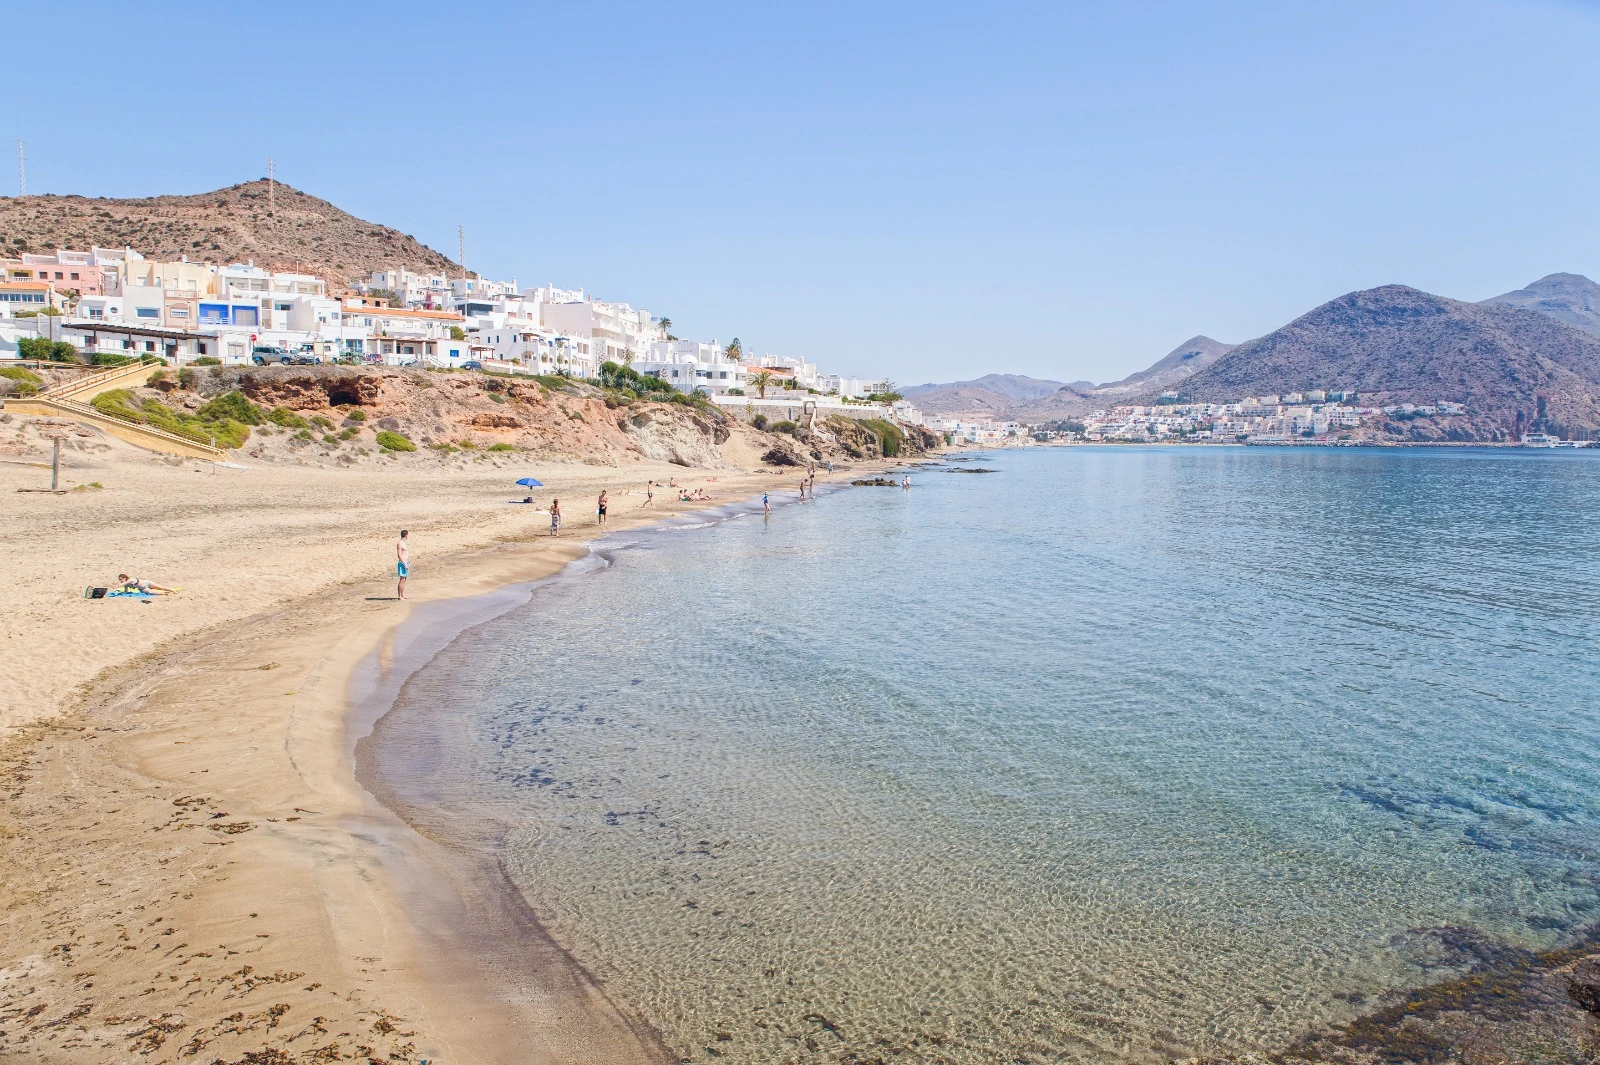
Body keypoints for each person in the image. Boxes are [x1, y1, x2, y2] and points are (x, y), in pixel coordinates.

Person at [395, 531, 409, 600]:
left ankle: (402, 595)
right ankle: (399, 596)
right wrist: (404, 563)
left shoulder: (403, 543)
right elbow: (399, 555)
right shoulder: (400, 543)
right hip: (402, 563)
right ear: (406, 535)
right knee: (402, 579)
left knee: (404, 579)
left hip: (406, 562)